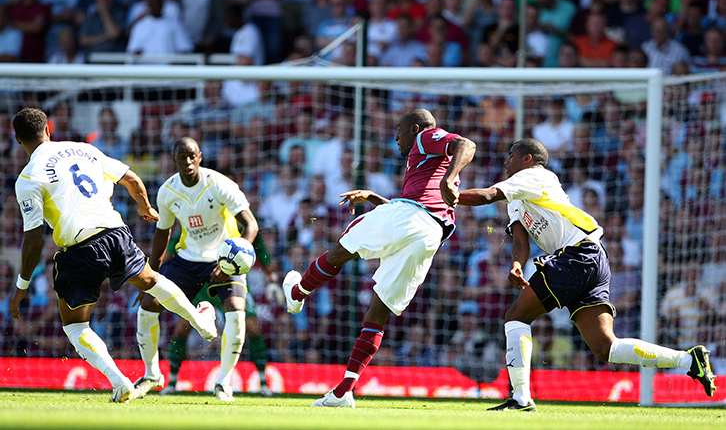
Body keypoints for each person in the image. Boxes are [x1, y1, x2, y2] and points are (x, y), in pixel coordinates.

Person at [456, 138, 717, 411]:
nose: (506, 161)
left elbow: (486, 195)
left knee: (516, 316)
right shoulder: (515, 200)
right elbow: (520, 241)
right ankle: (689, 360)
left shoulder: (535, 176)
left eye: (512, 155)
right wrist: (517, 264)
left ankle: (520, 398)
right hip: (591, 257)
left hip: (577, 253)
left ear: (528, 159)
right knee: (606, 347)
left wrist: (446, 193)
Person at [9, 107, 217, 403]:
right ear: (48, 130)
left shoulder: (28, 178)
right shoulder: (83, 149)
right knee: (151, 280)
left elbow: (33, 239)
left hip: (80, 247)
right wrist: (145, 208)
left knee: (75, 326)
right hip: (115, 232)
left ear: (17, 139)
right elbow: (131, 179)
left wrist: (21, 286)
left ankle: (120, 382)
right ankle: (200, 321)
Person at [281, 108, 476, 407]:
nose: (395, 137)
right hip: (428, 236)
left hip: (414, 218)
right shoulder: (426, 162)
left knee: (342, 249)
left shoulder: (425, 137)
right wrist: (375, 198)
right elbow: (418, 209)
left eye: (398, 130)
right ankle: (344, 391)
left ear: (413, 129)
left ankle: (297, 292)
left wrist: (450, 179)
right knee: (377, 313)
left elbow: (466, 144)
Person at [134, 137, 259, 402]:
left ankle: (224, 383)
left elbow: (251, 226)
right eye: (182, 157)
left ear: (200, 156)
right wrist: (151, 272)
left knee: (237, 312)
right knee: (148, 305)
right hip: (187, 260)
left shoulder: (220, 184)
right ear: (174, 159)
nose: (188, 162)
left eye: (192, 156)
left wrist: (230, 264)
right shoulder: (167, 191)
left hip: (224, 258)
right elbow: (163, 232)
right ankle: (152, 373)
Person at [158, 218, 283, 397]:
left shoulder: (243, 213)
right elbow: (176, 241)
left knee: (252, 326)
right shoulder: (200, 208)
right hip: (202, 278)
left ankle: (263, 382)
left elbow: (259, 244)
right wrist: (159, 275)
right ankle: (172, 382)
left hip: (232, 275)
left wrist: (271, 278)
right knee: (182, 327)